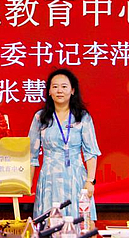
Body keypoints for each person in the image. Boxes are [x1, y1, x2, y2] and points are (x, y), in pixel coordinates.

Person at [28, 68, 101, 219]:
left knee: (78, 222)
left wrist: (90, 181)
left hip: (76, 178)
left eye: (64, 86)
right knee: (49, 224)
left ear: (72, 90)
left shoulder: (82, 117)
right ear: (49, 92)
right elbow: (31, 155)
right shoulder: (40, 118)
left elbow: (91, 152)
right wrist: (27, 183)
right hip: (49, 179)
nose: (59, 90)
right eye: (55, 87)